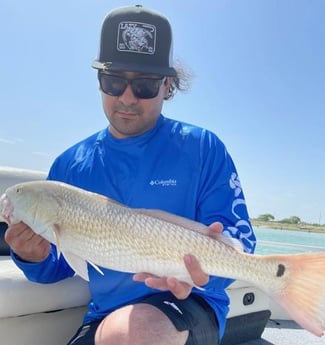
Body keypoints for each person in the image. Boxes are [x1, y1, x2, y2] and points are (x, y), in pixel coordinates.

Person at [5, 5, 256, 345]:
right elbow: (60, 266)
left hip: (191, 302)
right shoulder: (68, 167)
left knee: (133, 333)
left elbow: (240, 238)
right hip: (104, 315)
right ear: (99, 82)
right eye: (113, 81)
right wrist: (31, 255)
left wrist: (202, 276)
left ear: (168, 86)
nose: (126, 97)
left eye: (145, 86)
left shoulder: (203, 148)